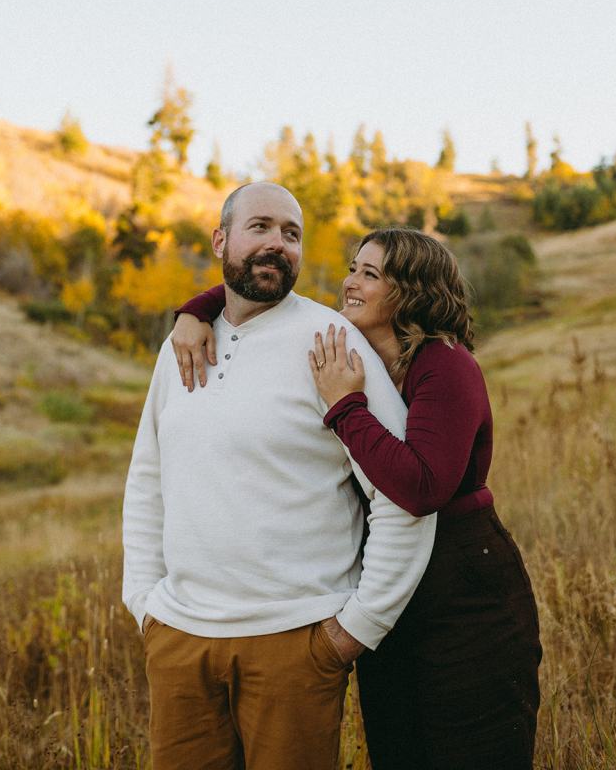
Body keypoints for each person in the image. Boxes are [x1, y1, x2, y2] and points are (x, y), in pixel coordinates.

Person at [173, 225, 542, 770]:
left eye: (370, 275)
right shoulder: (354, 353)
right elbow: (274, 300)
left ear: (410, 292)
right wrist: (196, 309)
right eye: (353, 268)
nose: (350, 283)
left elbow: (421, 488)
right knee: (398, 752)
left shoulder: (445, 366)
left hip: (464, 590)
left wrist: (344, 407)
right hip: (388, 585)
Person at [122, 184, 437, 770]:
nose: (277, 244)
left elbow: (400, 495)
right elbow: (148, 478)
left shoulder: (332, 342)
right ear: (221, 240)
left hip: (294, 641)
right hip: (180, 640)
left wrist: (357, 626)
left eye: (291, 234)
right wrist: (143, 600)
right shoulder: (182, 345)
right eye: (260, 227)